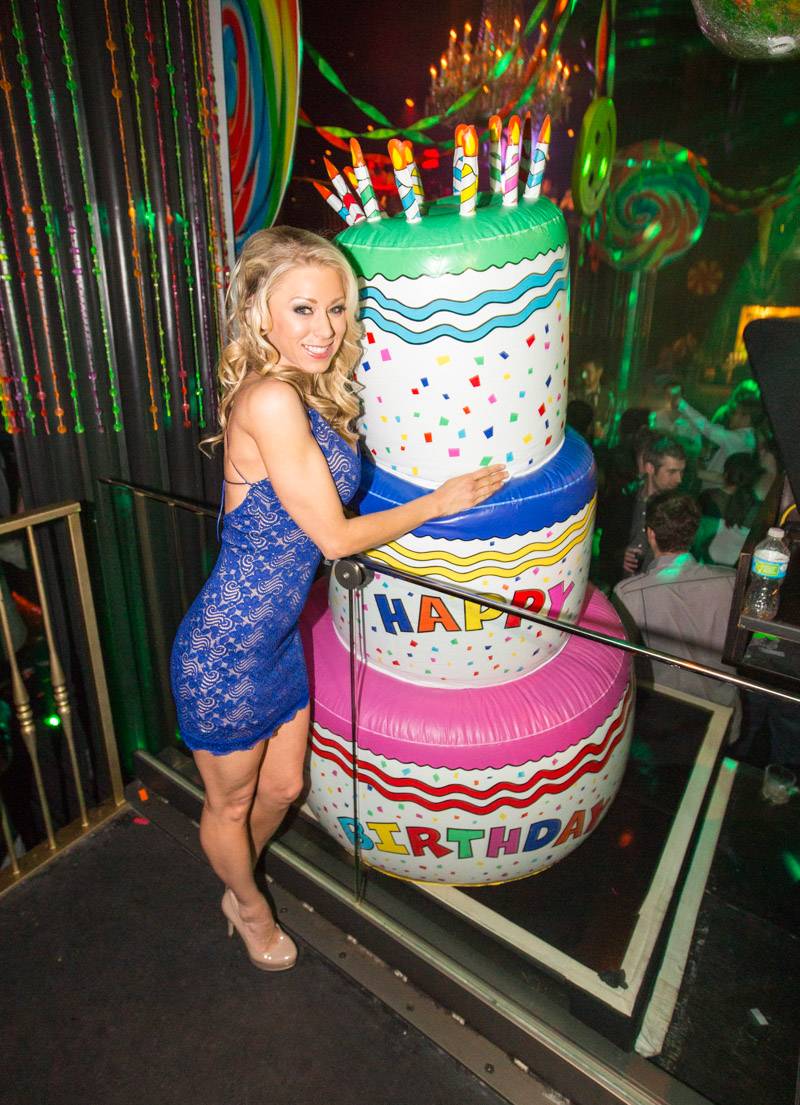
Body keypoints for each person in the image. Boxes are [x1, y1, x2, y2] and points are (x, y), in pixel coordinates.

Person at [170, 227, 506, 971]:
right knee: (229, 804)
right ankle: (248, 905)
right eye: (303, 309)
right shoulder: (270, 398)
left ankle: (237, 874)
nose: (325, 328)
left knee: (284, 788)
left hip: (275, 640)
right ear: (258, 314)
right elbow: (333, 538)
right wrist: (440, 502)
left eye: (336, 308)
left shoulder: (306, 393)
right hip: (225, 648)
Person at [613, 491, 741, 740]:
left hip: (664, 715)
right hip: (723, 714)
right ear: (695, 533)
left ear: (651, 534)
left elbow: (617, 662)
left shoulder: (628, 593)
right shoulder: (731, 581)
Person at [595, 435, 686, 588]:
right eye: (672, 472)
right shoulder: (624, 498)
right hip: (619, 585)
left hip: (655, 588)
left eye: (681, 472)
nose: (679, 479)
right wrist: (620, 555)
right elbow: (605, 544)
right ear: (650, 468)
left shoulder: (678, 508)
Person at [673, 385, 760, 487]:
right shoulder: (748, 437)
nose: (730, 415)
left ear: (746, 418)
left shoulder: (738, 438)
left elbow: (706, 427)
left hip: (716, 490)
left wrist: (682, 404)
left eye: (734, 413)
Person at [694, 452, 763, 567]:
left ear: (725, 474)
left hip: (707, 564)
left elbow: (697, 536)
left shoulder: (708, 498)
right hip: (738, 567)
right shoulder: (758, 508)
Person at [569, 359, 616, 443]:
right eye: (584, 372)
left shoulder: (608, 397)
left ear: (599, 372)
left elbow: (611, 422)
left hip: (601, 446)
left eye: (589, 372)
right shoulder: (574, 395)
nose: (584, 376)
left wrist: (603, 433)